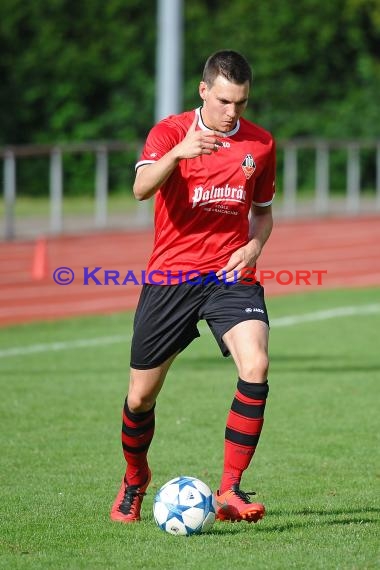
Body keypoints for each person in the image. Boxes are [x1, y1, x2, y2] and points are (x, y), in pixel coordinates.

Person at [110, 50, 276, 524]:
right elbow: (141, 189)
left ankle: (230, 490)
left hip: (229, 275)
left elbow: (262, 213)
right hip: (171, 276)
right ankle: (135, 479)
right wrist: (178, 153)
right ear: (203, 91)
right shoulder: (168, 132)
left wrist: (254, 247)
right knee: (140, 397)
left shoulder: (261, 144)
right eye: (224, 101)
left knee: (257, 364)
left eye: (241, 103)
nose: (232, 113)